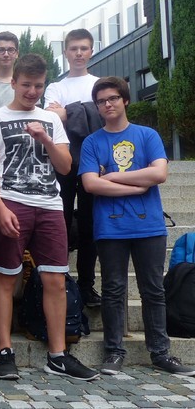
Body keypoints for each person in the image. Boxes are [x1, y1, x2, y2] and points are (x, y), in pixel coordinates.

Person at [0, 54, 99, 381]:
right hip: (12, 202)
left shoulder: (51, 120)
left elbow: (65, 167)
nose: (32, 91)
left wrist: (46, 138)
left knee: (55, 280)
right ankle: (4, 350)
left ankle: (58, 355)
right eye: (26, 85)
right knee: (7, 278)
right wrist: (0, 207)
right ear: (14, 83)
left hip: (50, 205)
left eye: (38, 85)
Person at [80, 77, 195, 376]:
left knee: (153, 290)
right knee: (114, 290)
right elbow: (91, 184)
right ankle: (114, 351)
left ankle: (161, 352)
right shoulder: (93, 142)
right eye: (101, 101)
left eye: (113, 98)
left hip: (150, 228)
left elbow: (159, 174)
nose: (107, 104)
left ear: (125, 100)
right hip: (110, 228)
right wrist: (134, 185)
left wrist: (112, 177)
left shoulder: (147, 135)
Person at [44, 28, 101, 308]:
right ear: (65, 52)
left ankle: (87, 284)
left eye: (84, 48)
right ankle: (62, 280)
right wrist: (87, 111)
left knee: (90, 224)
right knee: (61, 223)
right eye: (73, 48)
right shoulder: (56, 86)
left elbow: (104, 114)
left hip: (96, 161)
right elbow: (50, 116)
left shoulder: (100, 83)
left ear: (91, 51)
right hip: (64, 160)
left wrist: (69, 112)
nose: (79, 53)